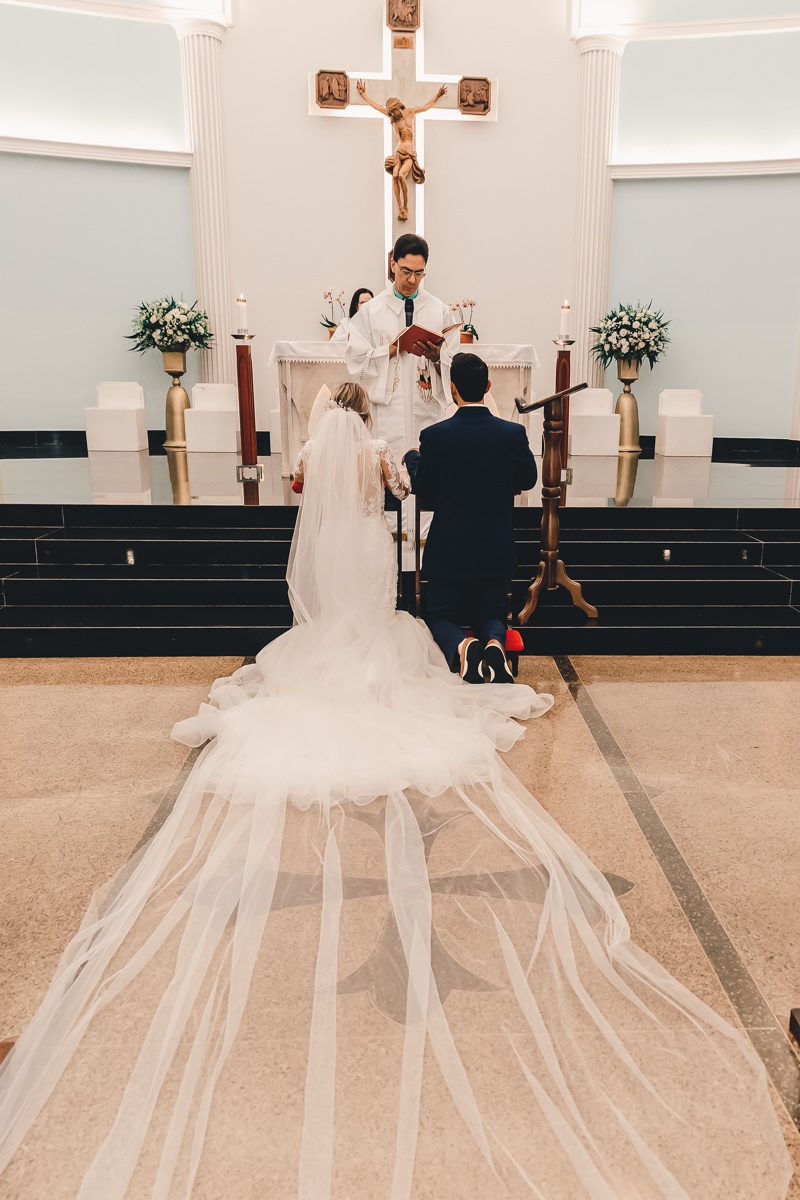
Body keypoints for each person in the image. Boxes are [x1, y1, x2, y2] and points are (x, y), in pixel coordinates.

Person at [0, 384, 791, 1199]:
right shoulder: (381, 450)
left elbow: (305, 493)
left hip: (331, 553)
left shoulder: (315, 451)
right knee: (389, 628)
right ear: (364, 409)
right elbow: (404, 489)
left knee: (326, 633)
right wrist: (397, 471)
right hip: (376, 551)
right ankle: (477, 648)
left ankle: (373, 662)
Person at [404, 352, 537, 684]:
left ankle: (465, 647)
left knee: (439, 615)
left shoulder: (435, 437)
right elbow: (528, 480)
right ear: (488, 386)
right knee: (492, 613)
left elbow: (423, 487)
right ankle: (494, 643)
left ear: (452, 390)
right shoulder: (512, 434)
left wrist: (413, 459)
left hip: (449, 552)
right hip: (495, 550)